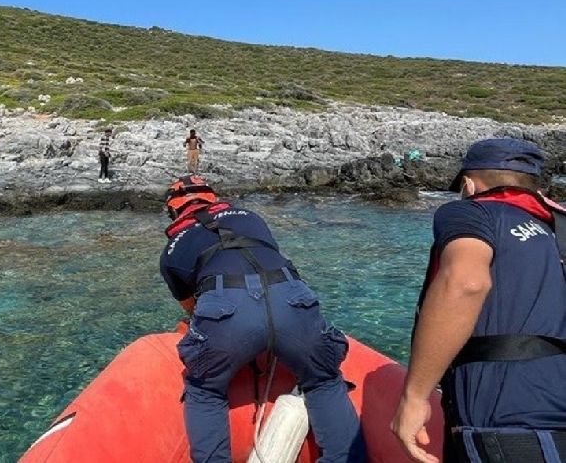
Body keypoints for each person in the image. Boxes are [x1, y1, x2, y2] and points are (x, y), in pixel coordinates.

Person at [160, 174, 366, 463]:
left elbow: (192, 309)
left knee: (205, 391)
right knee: (323, 381)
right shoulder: (251, 218)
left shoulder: (171, 251)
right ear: (214, 199)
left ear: (173, 210)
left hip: (226, 309)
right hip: (290, 296)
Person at [391, 138, 566, 463]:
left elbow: (466, 283)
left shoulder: (470, 212)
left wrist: (415, 396)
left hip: (502, 421)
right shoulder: (557, 230)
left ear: (469, 185)